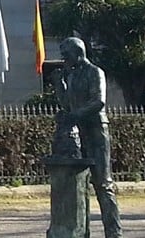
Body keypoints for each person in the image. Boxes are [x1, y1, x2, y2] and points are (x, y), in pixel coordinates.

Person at [54, 37, 122, 238]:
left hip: (96, 130)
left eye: (66, 55)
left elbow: (99, 101)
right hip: (79, 131)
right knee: (79, 184)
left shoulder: (94, 72)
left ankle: (114, 233)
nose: (64, 60)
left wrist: (75, 115)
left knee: (103, 183)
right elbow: (67, 104)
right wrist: (60, 85)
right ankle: (82, 231)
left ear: (78, 53)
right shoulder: (72, 76)